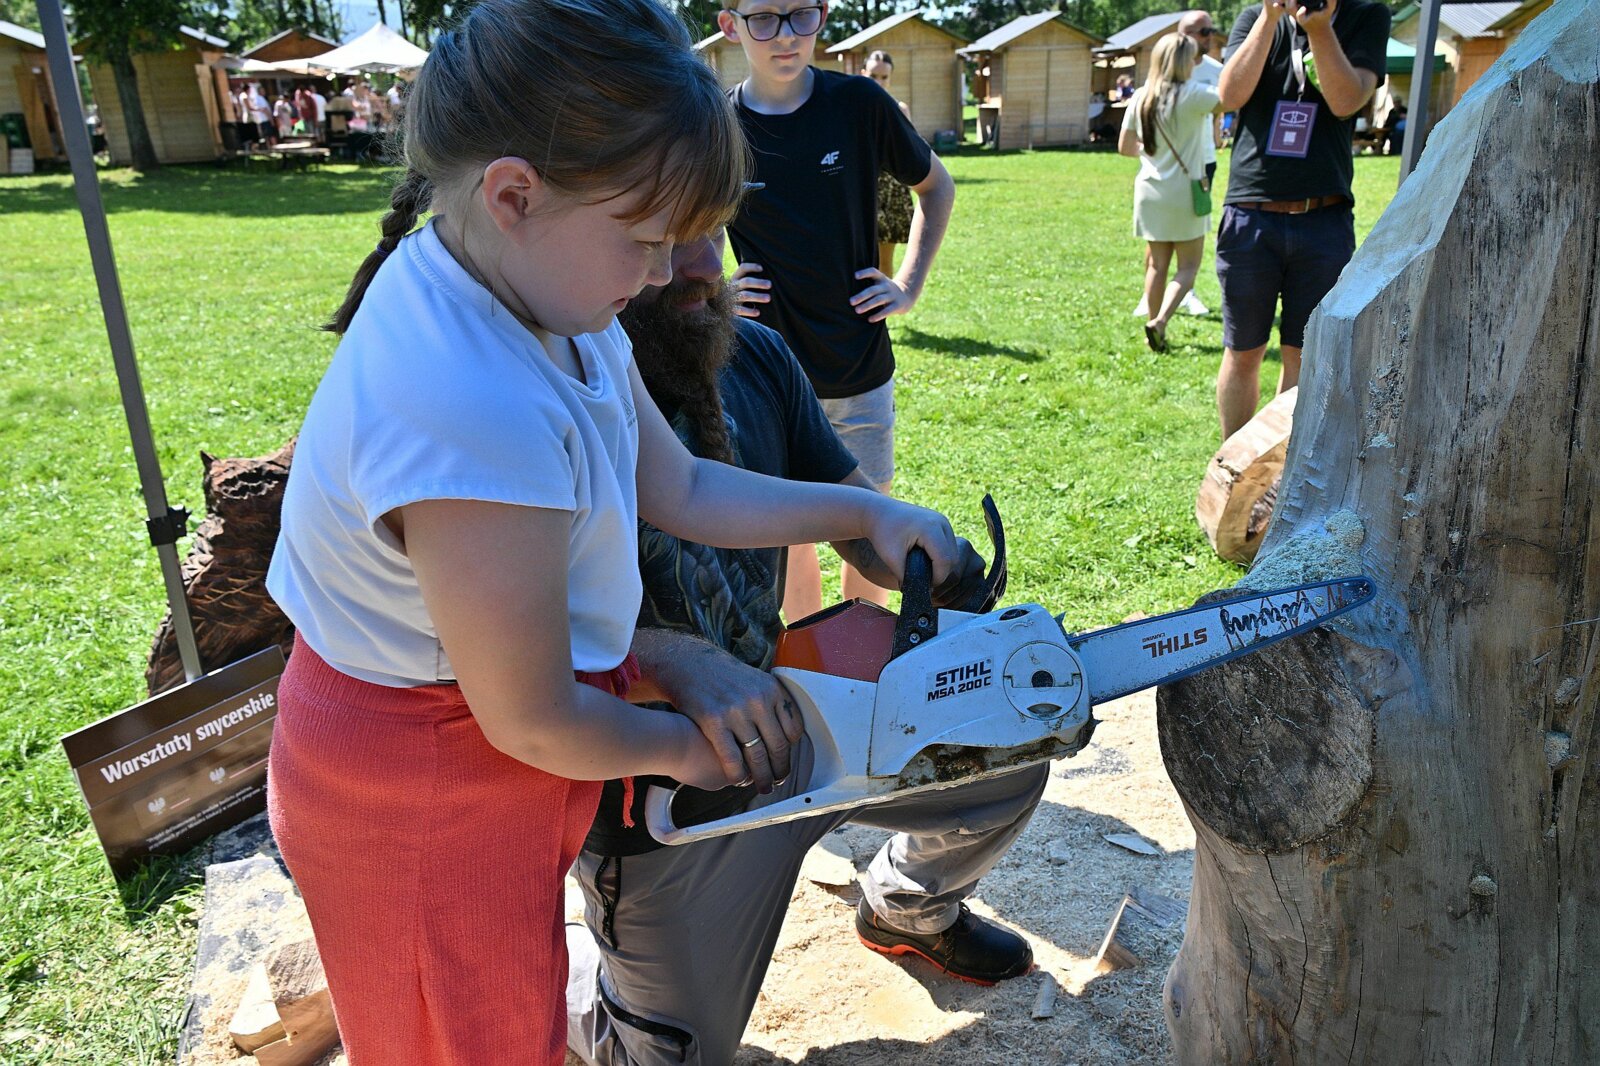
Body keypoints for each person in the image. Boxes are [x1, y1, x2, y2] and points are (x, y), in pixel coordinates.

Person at [263, 2, 971, 1063]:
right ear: (514, 195)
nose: (661, 273)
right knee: (472, 1042)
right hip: (419, 788)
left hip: (490, 745)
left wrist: (861, 509)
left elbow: (677, 484)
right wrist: (693, 751)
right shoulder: (465, 398)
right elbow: (536, 717)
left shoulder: (544, 294)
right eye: (643, 240)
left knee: (516, 1010)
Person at [565, 228, 1047, 1066]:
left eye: (710, 232)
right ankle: (556, 975)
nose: (702, 268)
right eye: (664, 241)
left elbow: (848, 518)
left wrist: (910, 548)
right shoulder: (560, 393)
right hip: (662, 798)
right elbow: (526, 640)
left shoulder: (755, 355)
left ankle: (908, 909)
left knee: (1007, 748)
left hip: (801, 719)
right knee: (668, 1056)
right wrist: (673, 659)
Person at [717, 0, 958, 620]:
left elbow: (936, 186)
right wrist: (718, 294)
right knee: (790, 534)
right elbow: (684, 228)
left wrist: (908, 284)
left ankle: (862, 658)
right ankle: (806, 657)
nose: (785, 36)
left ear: (823, 14)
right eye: (764, 19)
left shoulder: (860, 105)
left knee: (872, 523)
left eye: (802, 15)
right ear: (730, 25)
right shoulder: (716, 125)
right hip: (766, 378)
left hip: (858, 366)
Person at [1214, 0, 1389, 438]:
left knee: (1304, 354)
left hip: (1322, 219)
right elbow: (1228, 97)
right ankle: (1233, 462)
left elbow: (1346, 101)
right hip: (1251, 215)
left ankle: (1281, 466)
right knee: (1243, 351)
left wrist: (1319, 28)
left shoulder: (1366, 15)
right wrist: (1270, 18)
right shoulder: (1256, 18)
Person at [1119, 33, 1222, 352]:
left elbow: (1125, 146)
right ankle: (1160, 322)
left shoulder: (1141, 96)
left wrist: (1152, 153)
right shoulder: (1196, 94)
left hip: (1149, 189)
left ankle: (1154, 328)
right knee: (1188, 267)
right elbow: (1232, 99)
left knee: (1156, 265)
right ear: (1184, 62)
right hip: (1185, 190)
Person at [861, 50, 915, 278]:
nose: (879, 82)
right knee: (857, 258)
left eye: (884, 77)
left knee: (884, 261)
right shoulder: (852, 109)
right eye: (873, 76)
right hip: (861, 189)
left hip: (891, 190)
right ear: (863, 74)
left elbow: (911, 153)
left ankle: (884, 301)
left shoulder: (899, 109)